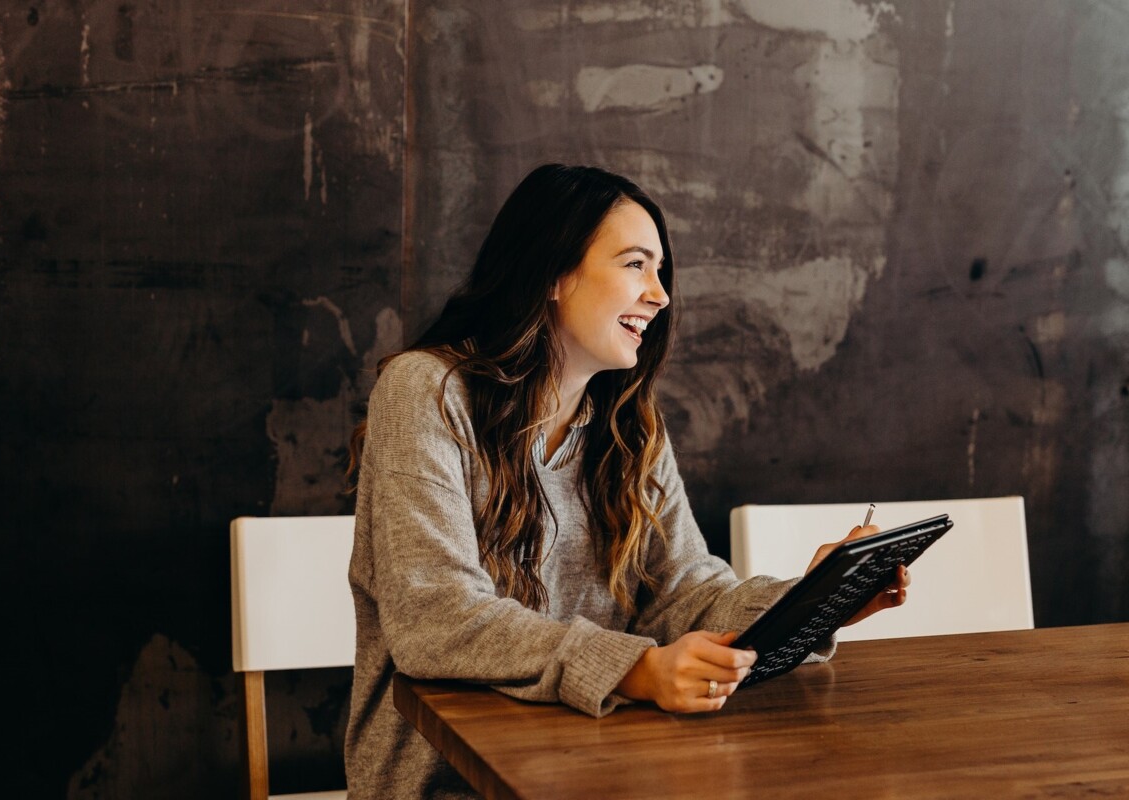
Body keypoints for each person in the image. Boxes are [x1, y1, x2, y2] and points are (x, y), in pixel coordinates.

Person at [344, 164, 910, 799]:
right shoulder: (427, 392)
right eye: (636, 264)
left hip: (600, 767)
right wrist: (638, 670)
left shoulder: (630, 427)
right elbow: (438, 619)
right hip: (449, 783)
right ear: (554, 273)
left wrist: (811, 602)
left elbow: (686, 596)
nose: (660, 295)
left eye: (661, 271)